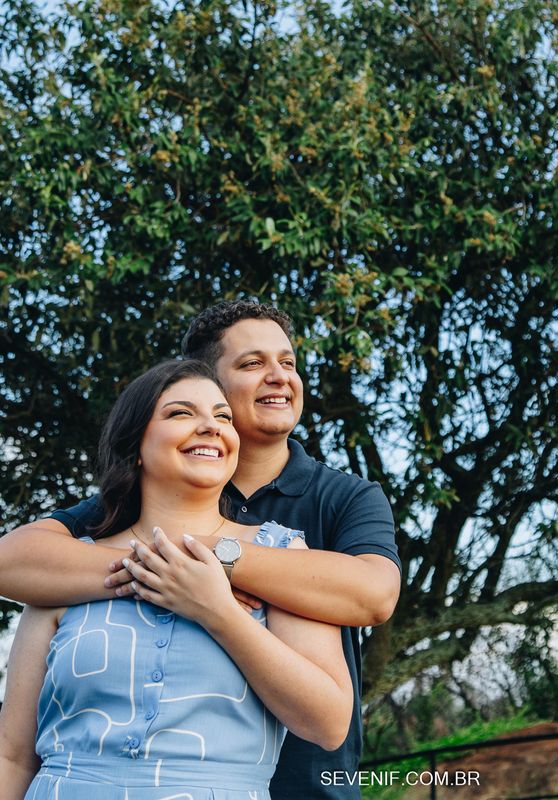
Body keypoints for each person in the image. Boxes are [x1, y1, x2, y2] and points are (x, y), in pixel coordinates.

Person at [0, 301, 401, 800]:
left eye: (289, 362)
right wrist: (153, 566)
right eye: (253, 363)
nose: (278, 376)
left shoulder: (342, 500)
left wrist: (207, 568)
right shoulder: (108, 520)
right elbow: (13, 563)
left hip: (307, 787)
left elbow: (374, 596)